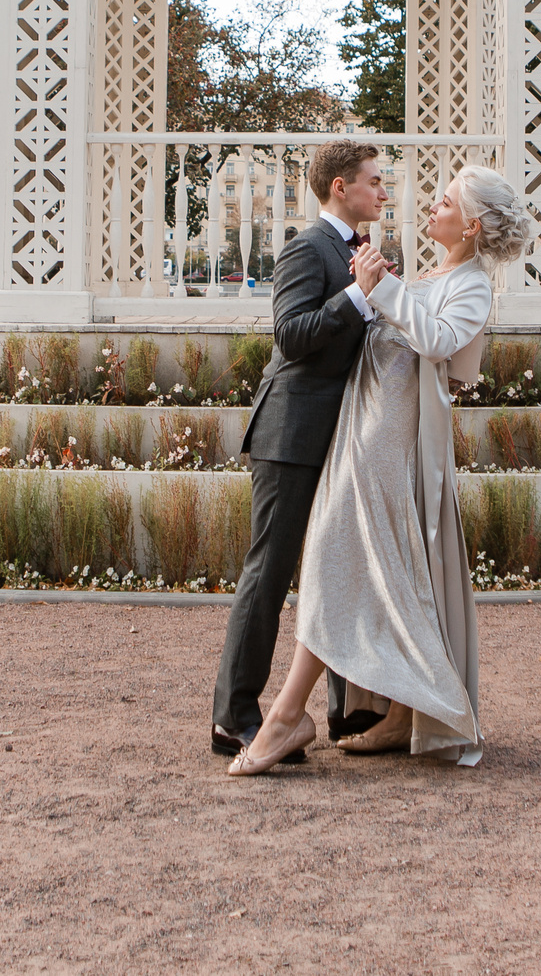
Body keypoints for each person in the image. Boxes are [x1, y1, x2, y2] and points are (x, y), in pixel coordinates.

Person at [228, 163, 530, 774]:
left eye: (444, 203)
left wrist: (379, 290)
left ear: (470, 226)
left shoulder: (471, 285)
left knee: (336, 555)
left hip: (388, 441)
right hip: (357, 429)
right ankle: (395, 712)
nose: (429, 208)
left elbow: (439, 343)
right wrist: (374, 290)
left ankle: (289, 714)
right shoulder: (431, 274)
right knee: (341, 559)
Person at [208, 140, 391, 763]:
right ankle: (235, 718)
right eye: (373, 181)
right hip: (290, 434)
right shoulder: (306, 248)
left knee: (334, 570)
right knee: (270, 571)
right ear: (341, 187)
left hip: (341, 437)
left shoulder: (359, 253)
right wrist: (357, 297)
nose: (382, 191)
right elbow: (290, 335)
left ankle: (346, 713)